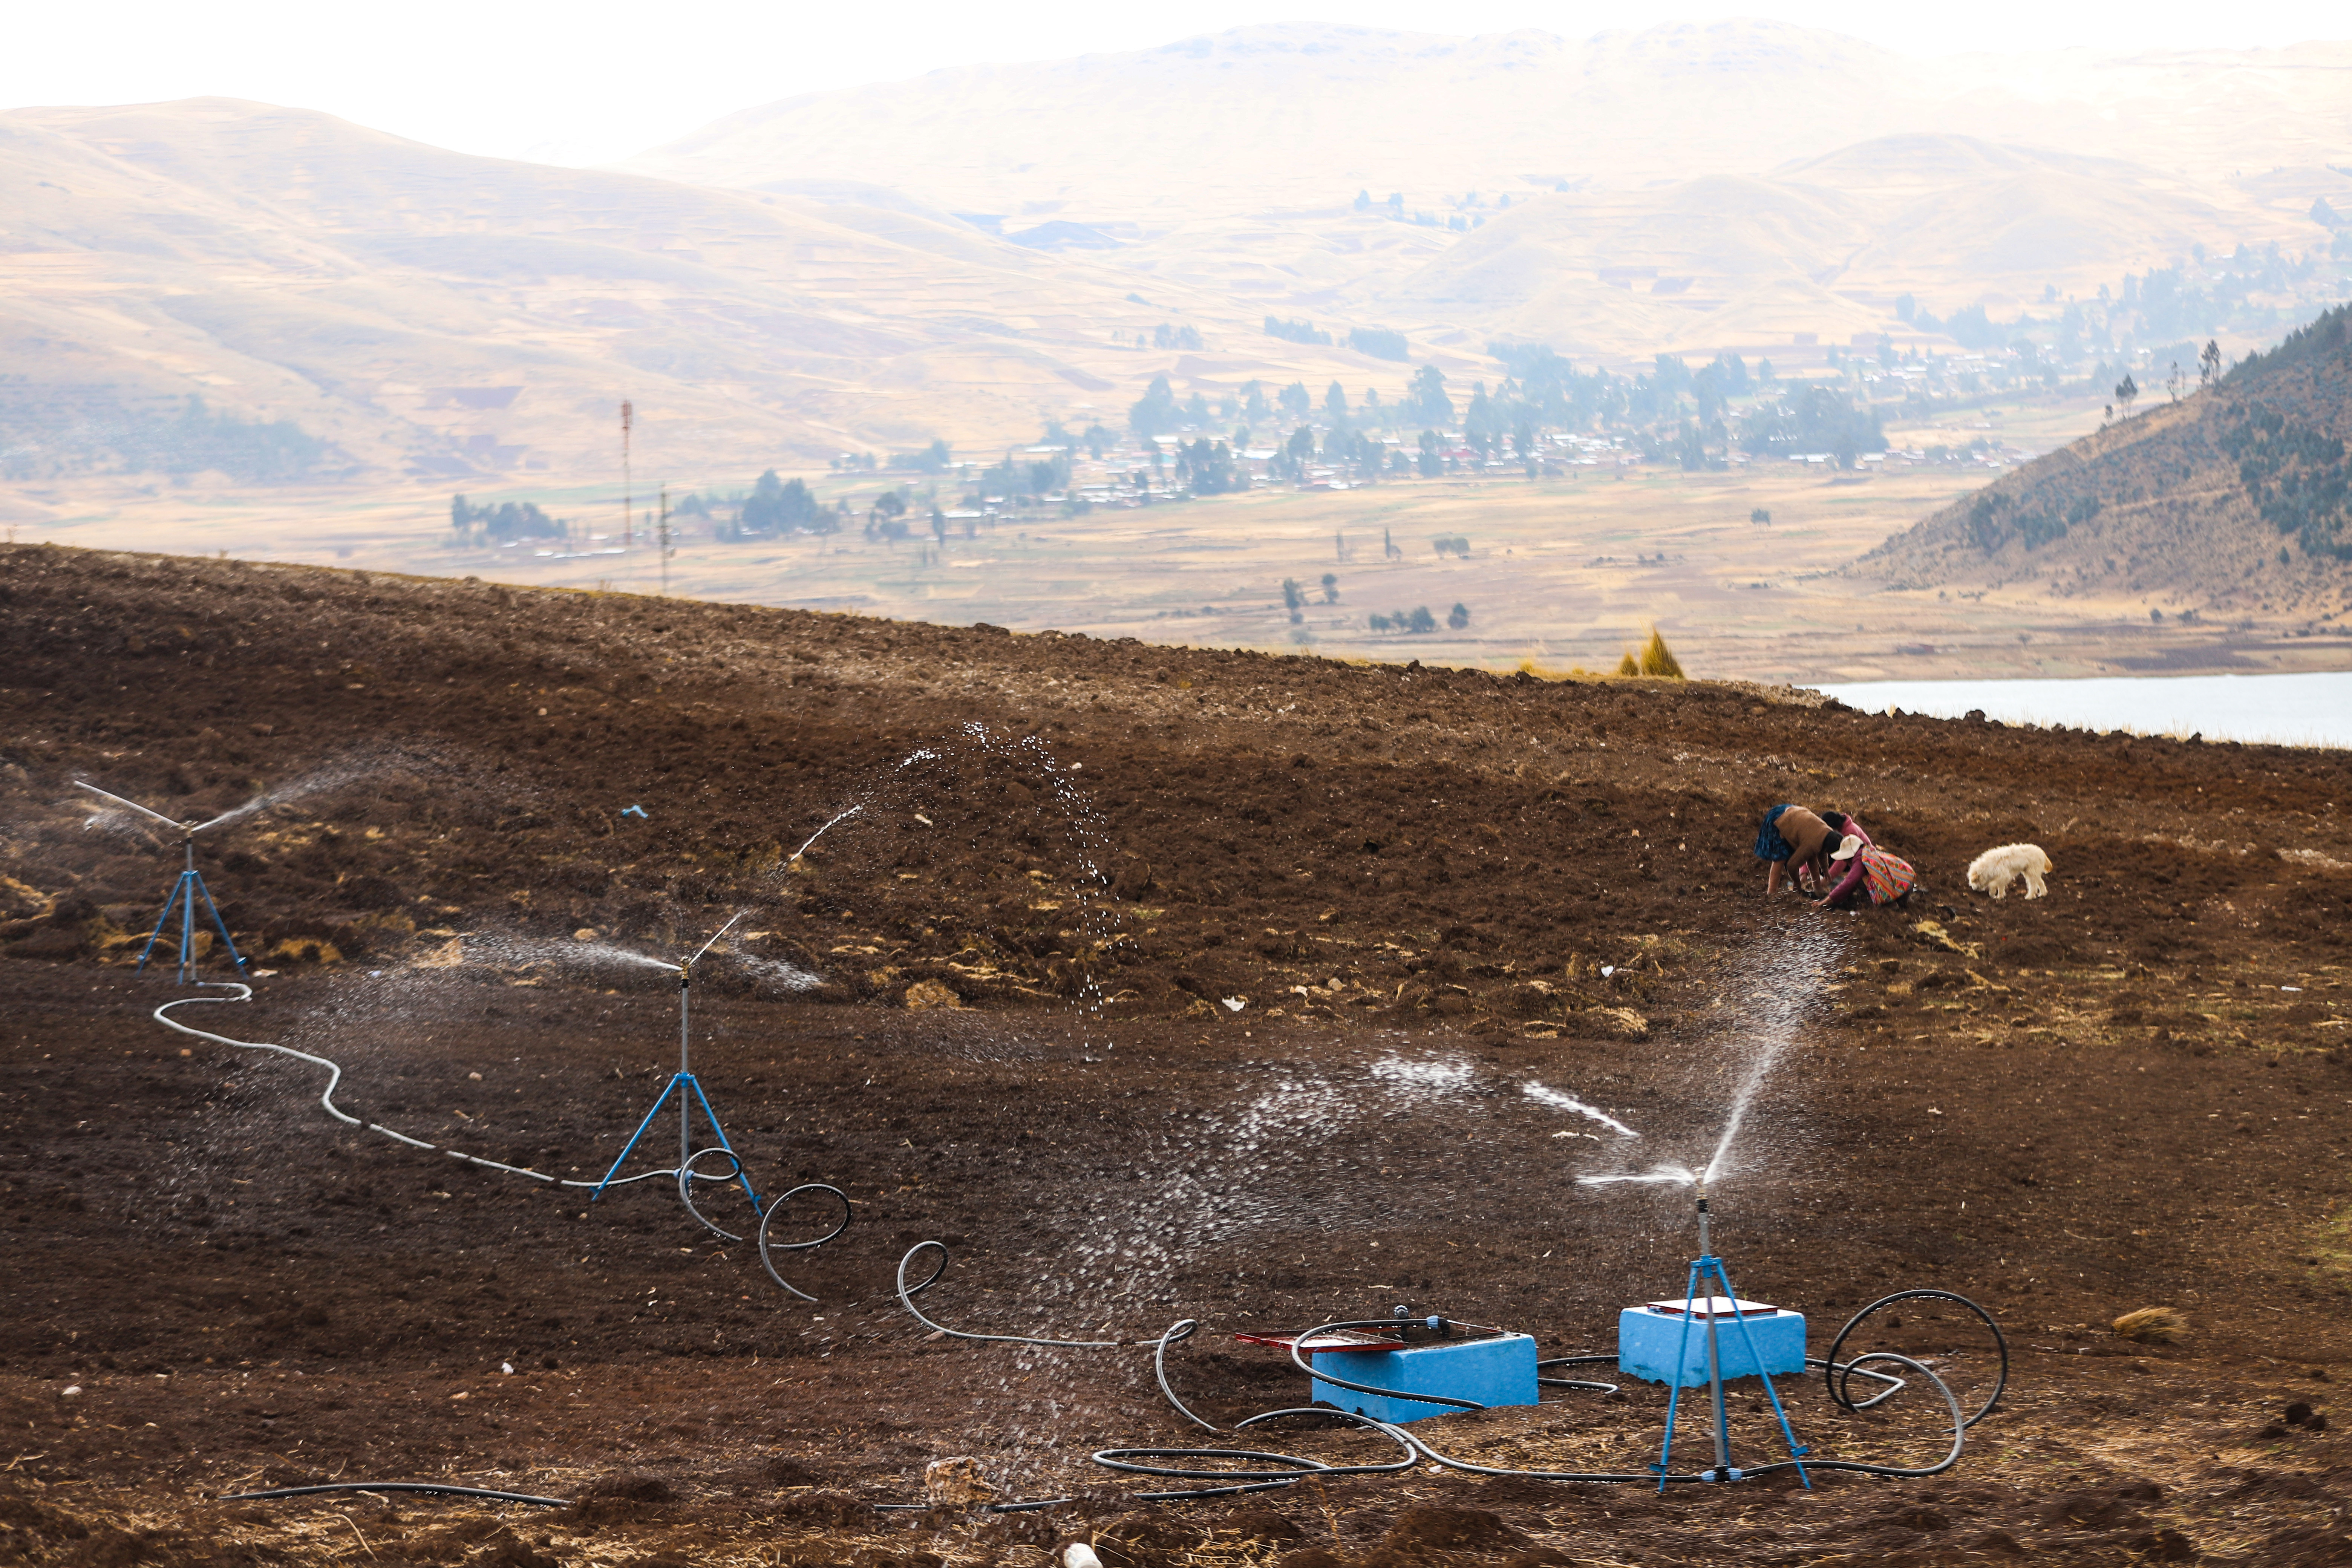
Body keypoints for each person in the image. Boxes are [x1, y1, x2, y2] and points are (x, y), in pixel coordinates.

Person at [1816, 834, 1917, 911]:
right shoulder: (1868, 853)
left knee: (1860, 882)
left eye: (1845, 858)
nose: (1844, 862)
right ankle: (1900, 899)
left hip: (1902, 886)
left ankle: (1889, 904)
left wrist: (1826, 901)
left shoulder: (1861, 860)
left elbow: (1850, 883)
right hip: (1907, 884)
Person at [1755, 804, 1841, 895]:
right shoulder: (1812, 844)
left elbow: (1821, 851)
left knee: (1812, 854)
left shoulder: (1827, 832)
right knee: (1780, 858)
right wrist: (1796, 881)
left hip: (1792, 811)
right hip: (1780, 819)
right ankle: (1771, 892)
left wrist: (1825, 870)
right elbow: (1792, 865)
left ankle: (1817, 887)